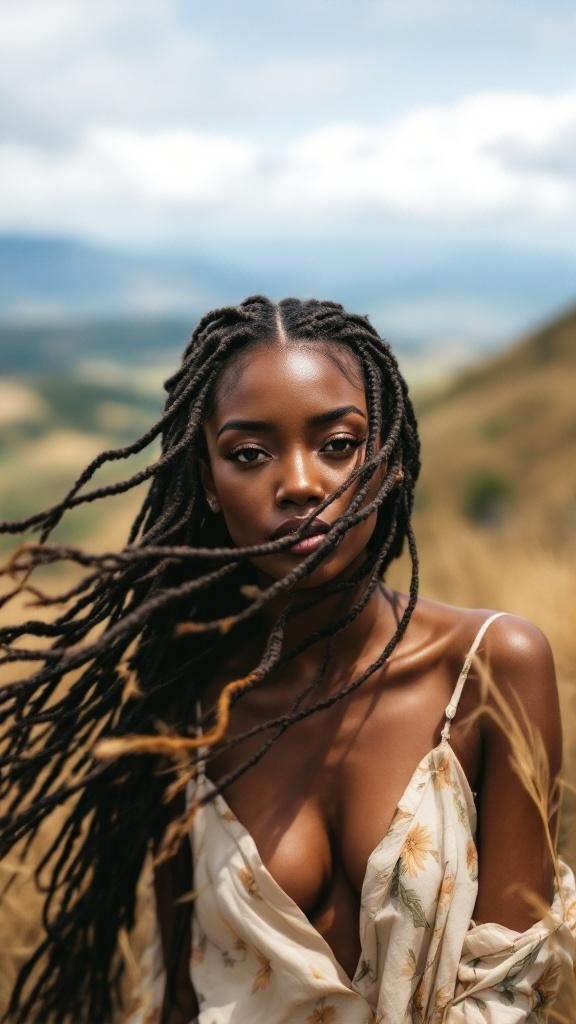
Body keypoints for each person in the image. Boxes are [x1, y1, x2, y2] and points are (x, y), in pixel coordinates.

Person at [0, 295, 574, 1024]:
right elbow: (180, 991)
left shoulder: (494, 666)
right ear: (208, 482)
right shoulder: (185, 700)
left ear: (389, 460)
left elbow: (509, 988)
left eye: (338, 444)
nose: (300, 483)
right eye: (249, 454)